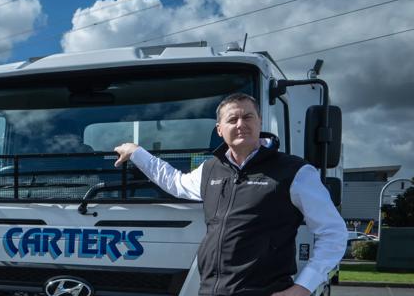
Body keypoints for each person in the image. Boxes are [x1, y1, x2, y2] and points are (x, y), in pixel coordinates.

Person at [113, 93, 346, 296]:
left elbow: (333, 233)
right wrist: (136, 153)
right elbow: (174, 182)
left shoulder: (295, 171)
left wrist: (304, 287)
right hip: (211, 291)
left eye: (248, 117)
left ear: (260, 122)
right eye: (232, 119)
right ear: (219, 129)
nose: (240, 124)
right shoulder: (211, 169)